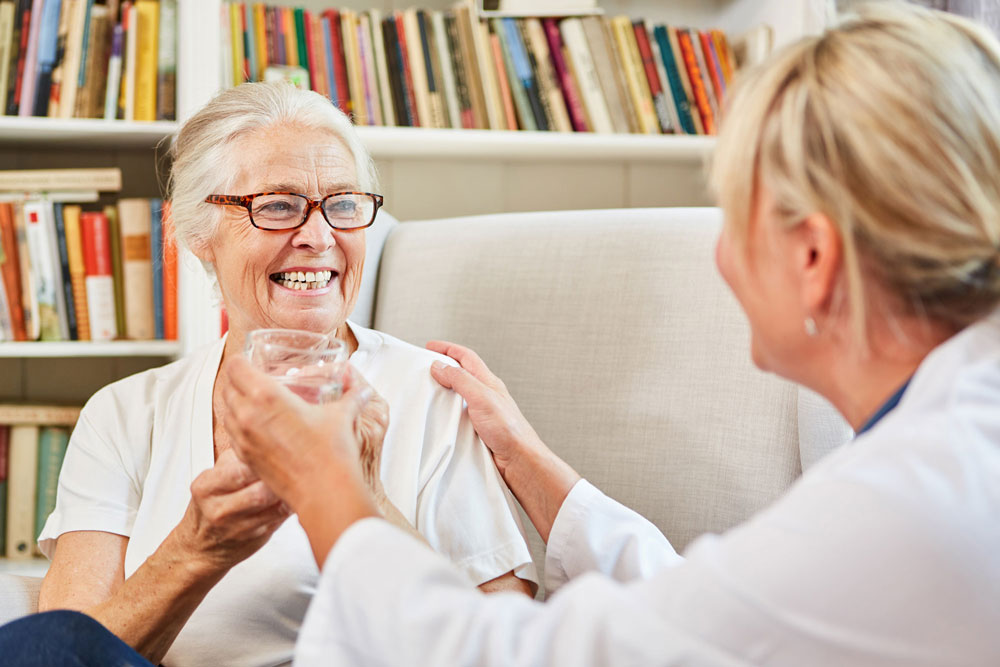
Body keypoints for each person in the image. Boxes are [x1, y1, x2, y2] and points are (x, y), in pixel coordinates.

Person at [217, 5, 1000, 665]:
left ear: (815, 258)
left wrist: (325, 485)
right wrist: (528, 461)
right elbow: (713, 617)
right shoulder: (949, 441)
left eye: (734, 217)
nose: (719, 258)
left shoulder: (914, 500)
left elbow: (522, 656)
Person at [31, 82, 536, 667]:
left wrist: (360, 493)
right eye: (276, 205)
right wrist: (198, 547)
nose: (319, 237)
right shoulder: (124, 413)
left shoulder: (434, 391)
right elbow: (62, 658)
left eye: (344, 203)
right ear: (198, 233)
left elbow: (506, 644)